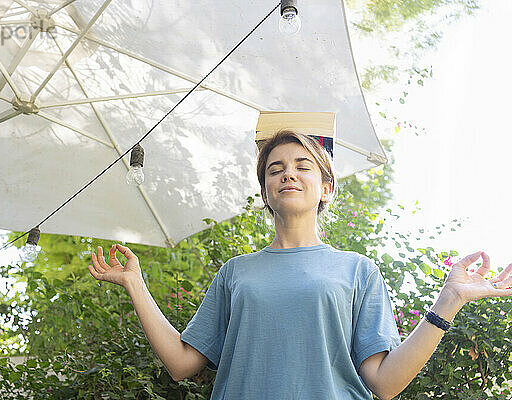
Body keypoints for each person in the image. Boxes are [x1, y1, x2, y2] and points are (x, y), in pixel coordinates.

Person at [87, 130, 512, 400]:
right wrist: (135, 283)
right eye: (276, 170)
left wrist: (450, 299)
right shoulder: (236, 273)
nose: (287, 174)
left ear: (326, 188)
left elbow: (384, 384)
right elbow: (182, 365)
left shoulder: (357, 271)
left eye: (302, 166)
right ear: (265, 194)